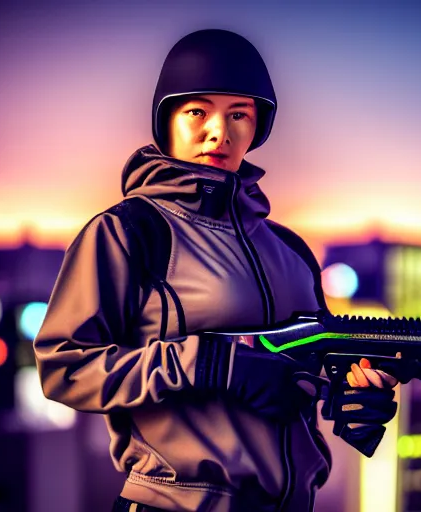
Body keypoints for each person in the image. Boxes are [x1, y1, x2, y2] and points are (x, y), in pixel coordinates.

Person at [33, 29, 400, 512]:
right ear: (166, 120)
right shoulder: (129, 232)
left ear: (257, 127)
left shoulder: (289, 251)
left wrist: (354, 396)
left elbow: (306, 376)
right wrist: (206, 364)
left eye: (239, 115)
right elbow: (65, 366)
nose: (219, 133)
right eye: (197, 112)